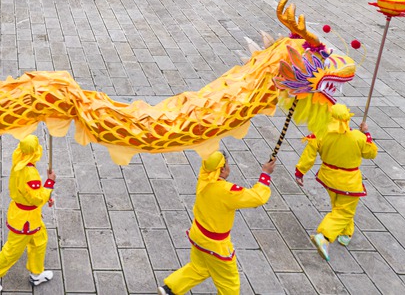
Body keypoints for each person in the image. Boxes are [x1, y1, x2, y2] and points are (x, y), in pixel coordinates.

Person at [159, 151, 275, 295]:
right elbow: (257, 198)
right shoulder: (226, 191)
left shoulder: (204, 178)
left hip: (198, 234)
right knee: (229, 282)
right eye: (227, 165)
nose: (229, 167)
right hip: (216, 245)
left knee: (199, 268)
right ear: (222, 169)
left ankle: (170, 289)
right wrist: (266, 174)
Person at [295, 104, 377, 261]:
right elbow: (371, 153)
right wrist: (367, 134)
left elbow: (309, 155)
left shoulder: (320, 134)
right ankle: (324, 236)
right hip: (349, 182)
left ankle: (346, 233)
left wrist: (300, 172)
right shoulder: (358, 137)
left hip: (329, 178)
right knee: (345, 212)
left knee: (339, 206)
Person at [0, 135, 56, 293]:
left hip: (27, 214)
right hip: (25, 221)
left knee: (40, 241)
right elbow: (36, 198)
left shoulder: (19, 159)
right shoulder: (30, 173)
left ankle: (37, 273)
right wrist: (50, 183)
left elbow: (30, 195)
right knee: (13, 251)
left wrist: (45, 196)